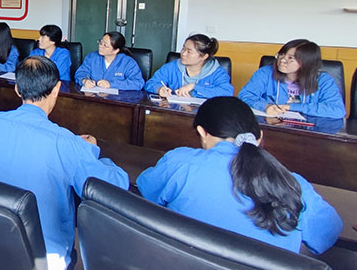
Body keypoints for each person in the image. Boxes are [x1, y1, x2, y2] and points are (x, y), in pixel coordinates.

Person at [0, 56, 129, 270]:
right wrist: (95, 152)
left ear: (17, 88)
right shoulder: (67, 143)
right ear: (56, 89)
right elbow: (114, 186)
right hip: (42, 263)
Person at [137, 97, 342, 253]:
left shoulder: (180, 163)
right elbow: (327, 234)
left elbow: (146, 189)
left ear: (202, 132)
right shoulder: (294, 184)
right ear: (259, 137)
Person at [238, 39, 346, 119]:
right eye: (281, 55)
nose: (282, 60)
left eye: (290, 58)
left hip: (309, 132)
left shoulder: (323, 80)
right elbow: (245, 96)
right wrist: (265, 106)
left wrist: (292, 107)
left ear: (306, 63)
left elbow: (337, 110)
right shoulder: (265, 73)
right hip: (272, 128)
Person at [145, 34, 233, 98]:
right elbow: (150, 83)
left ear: (204, 56)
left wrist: (194, 86)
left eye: (189, 51)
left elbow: (227, 92)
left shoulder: (217, 72)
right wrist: (159, 89)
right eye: (183, 48)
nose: (183, 53)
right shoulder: (171, 67)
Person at [74, 31, 144, 90]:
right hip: (94, 97)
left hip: (118, 100)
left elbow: (138, 83)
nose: (100, 46)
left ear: (116, 50)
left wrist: (111, 84)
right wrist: (84, 81)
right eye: (100, 42)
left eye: (105, 45)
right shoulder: (92, 57)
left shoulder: (128, 62)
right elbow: (80, 73)